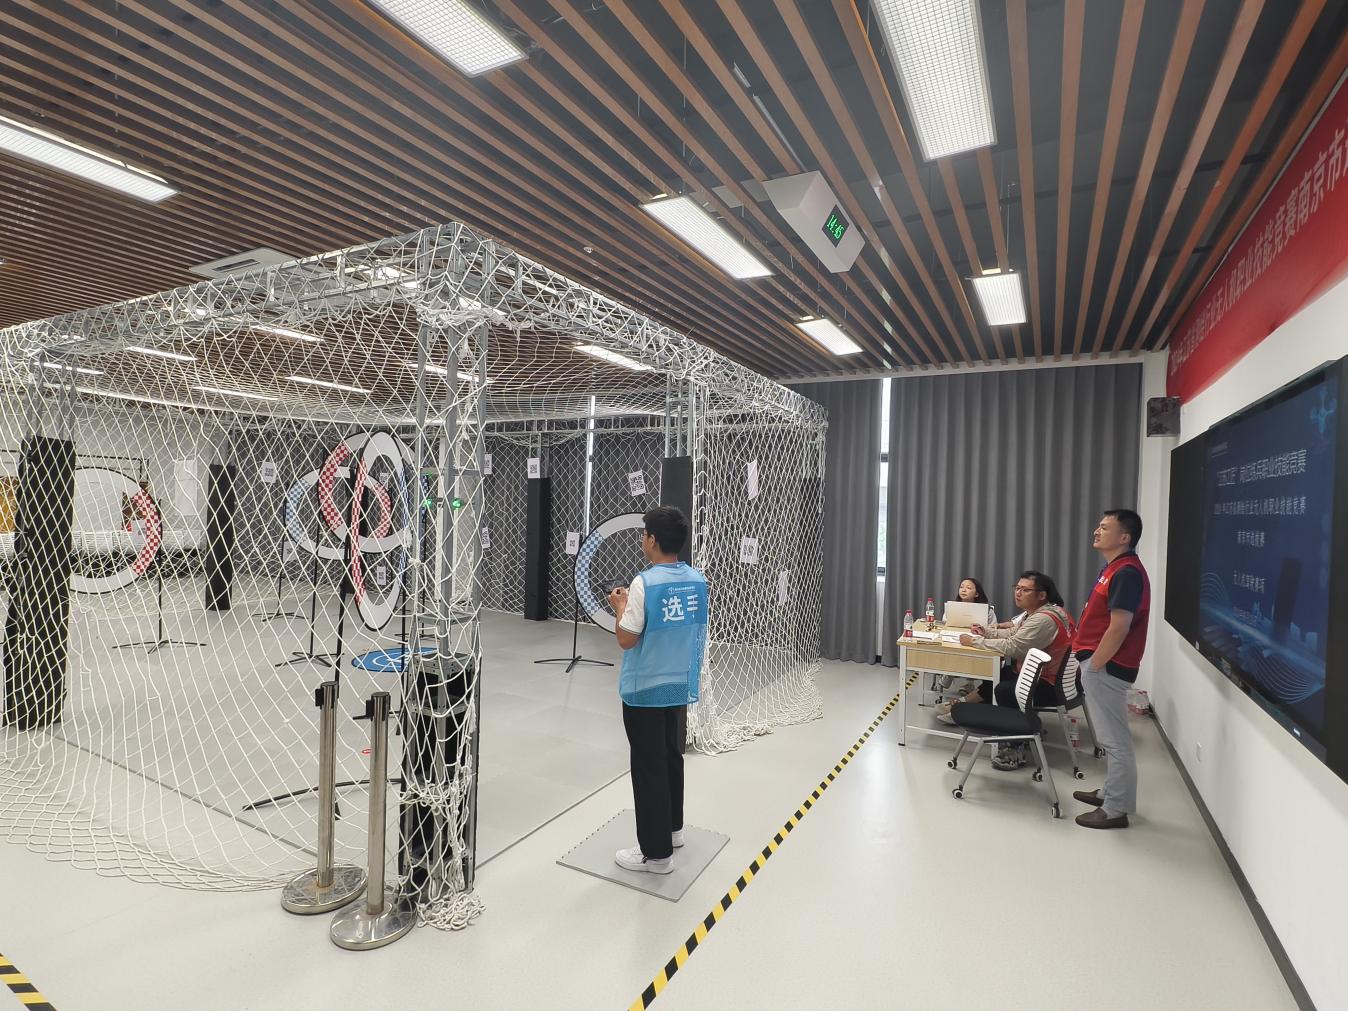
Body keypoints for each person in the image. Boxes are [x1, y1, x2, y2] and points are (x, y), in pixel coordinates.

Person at [607, 506, 708, 874]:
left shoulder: (644, 583)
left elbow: (626, 639)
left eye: (643, 534)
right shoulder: (696, 580)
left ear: (652, 539)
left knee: (648, 766)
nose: (642, 540)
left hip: (645, 689)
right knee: (669, 756)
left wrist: (620, 606)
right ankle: (672, 829)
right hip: (678, 684)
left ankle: (655, 854)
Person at [942, 571, 1075, 770]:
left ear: (1042, 595)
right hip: (1045, 676)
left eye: (1025, 590)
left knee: (1004, 689)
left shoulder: (1044, 619)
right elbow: (1013, 632)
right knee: (999, 674)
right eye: (1017, 588)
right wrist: (986, 632)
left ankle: (1015, 746)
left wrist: (976, 641)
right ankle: (962, 705)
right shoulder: (1040, 612)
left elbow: (1014, 646)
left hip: (1048, 684)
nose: (1018, 593)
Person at [1071, 509, 1150, 830]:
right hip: (1100, 664)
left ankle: (1116, 809)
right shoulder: (1115, 568)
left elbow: (1119, 627)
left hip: (1108, 667)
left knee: (1115, 740)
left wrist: (1094, 665)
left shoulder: (1127, 572)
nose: (1097, 531)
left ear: (1124, 537)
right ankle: (1110, 793)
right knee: (1110, 738)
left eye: (1104, 527)